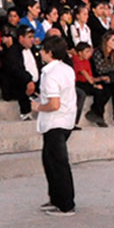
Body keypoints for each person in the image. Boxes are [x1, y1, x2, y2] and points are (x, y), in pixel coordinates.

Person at [34, 35, 76, 216]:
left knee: (58, 163)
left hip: (55, 122)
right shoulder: (67, 69)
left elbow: (54, 104)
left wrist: (38, 107)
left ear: (49, 52)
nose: (41, 53)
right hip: (66, 120)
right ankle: (56, 198)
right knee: (49, 161)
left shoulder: (50, 74)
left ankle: (66, 204)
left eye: (43, 50)